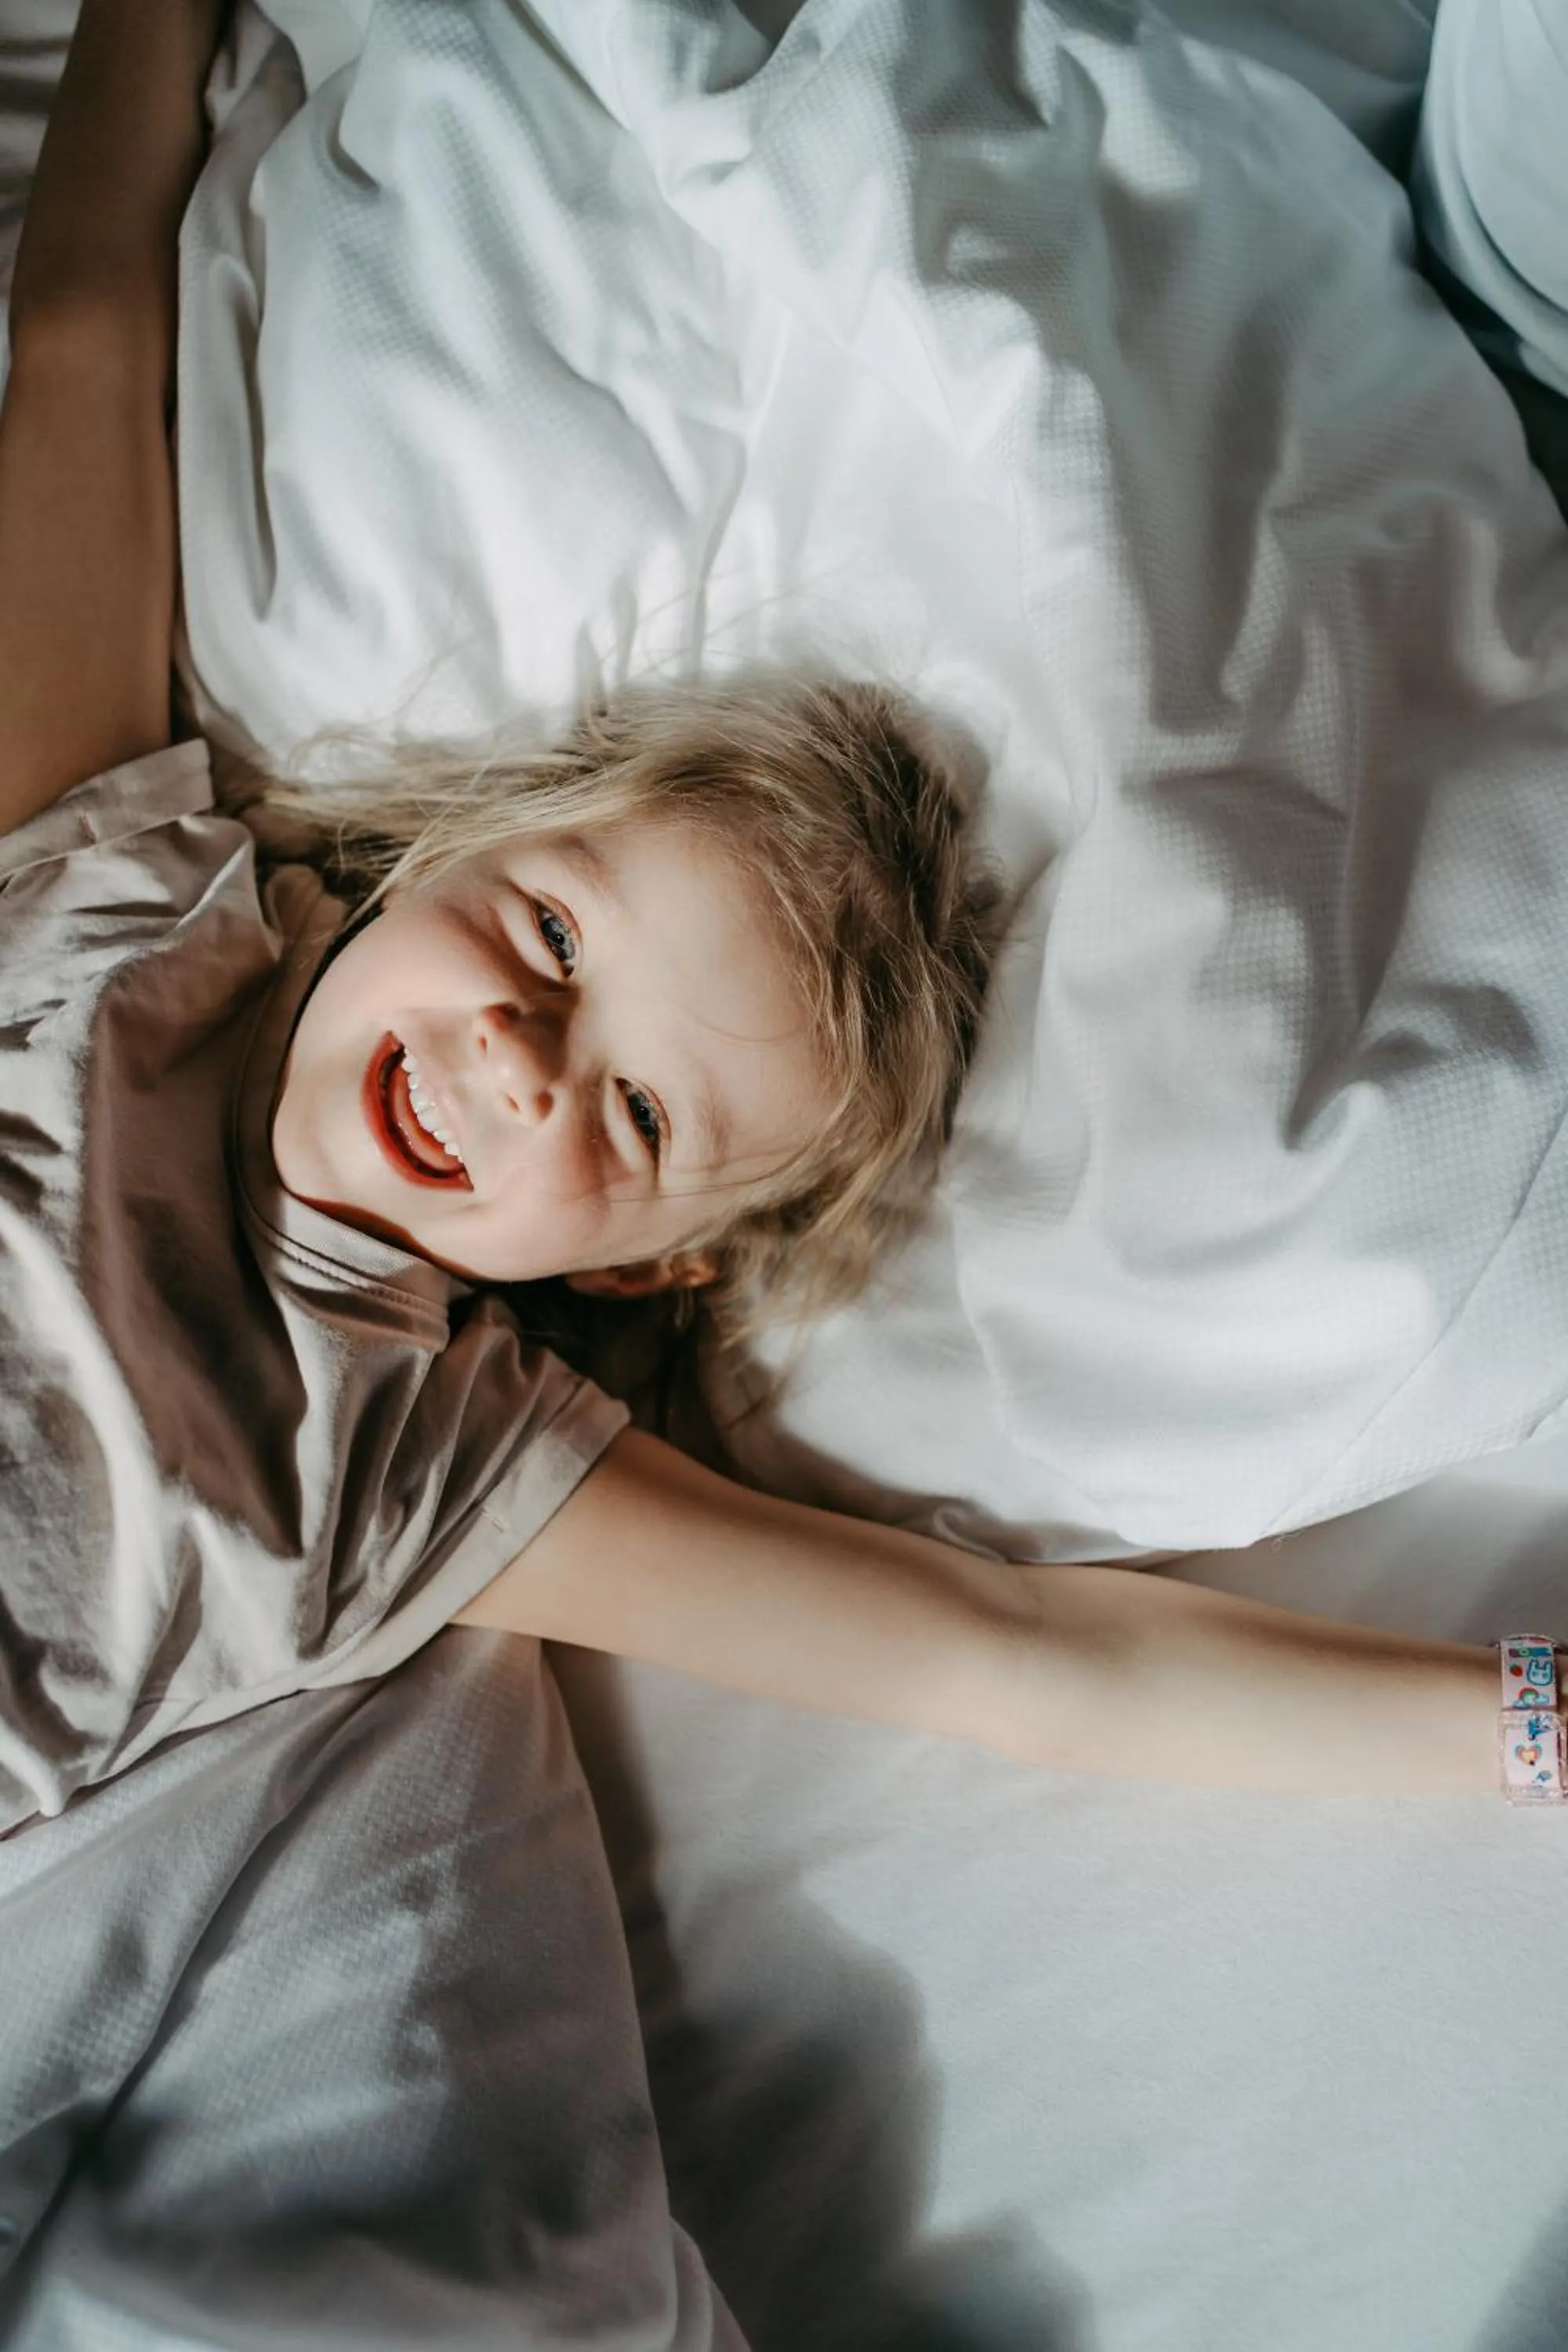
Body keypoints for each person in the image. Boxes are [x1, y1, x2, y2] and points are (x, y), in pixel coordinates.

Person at [0, 0, 1545, 1842]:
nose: (515, 1060)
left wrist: (1530, 1725)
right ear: (447, 851)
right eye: (551, 942)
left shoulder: (403, 1458)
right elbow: (87, 342)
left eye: (640, 1120)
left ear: (643, 1267)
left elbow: (1015, 1659)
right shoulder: (96, 894)